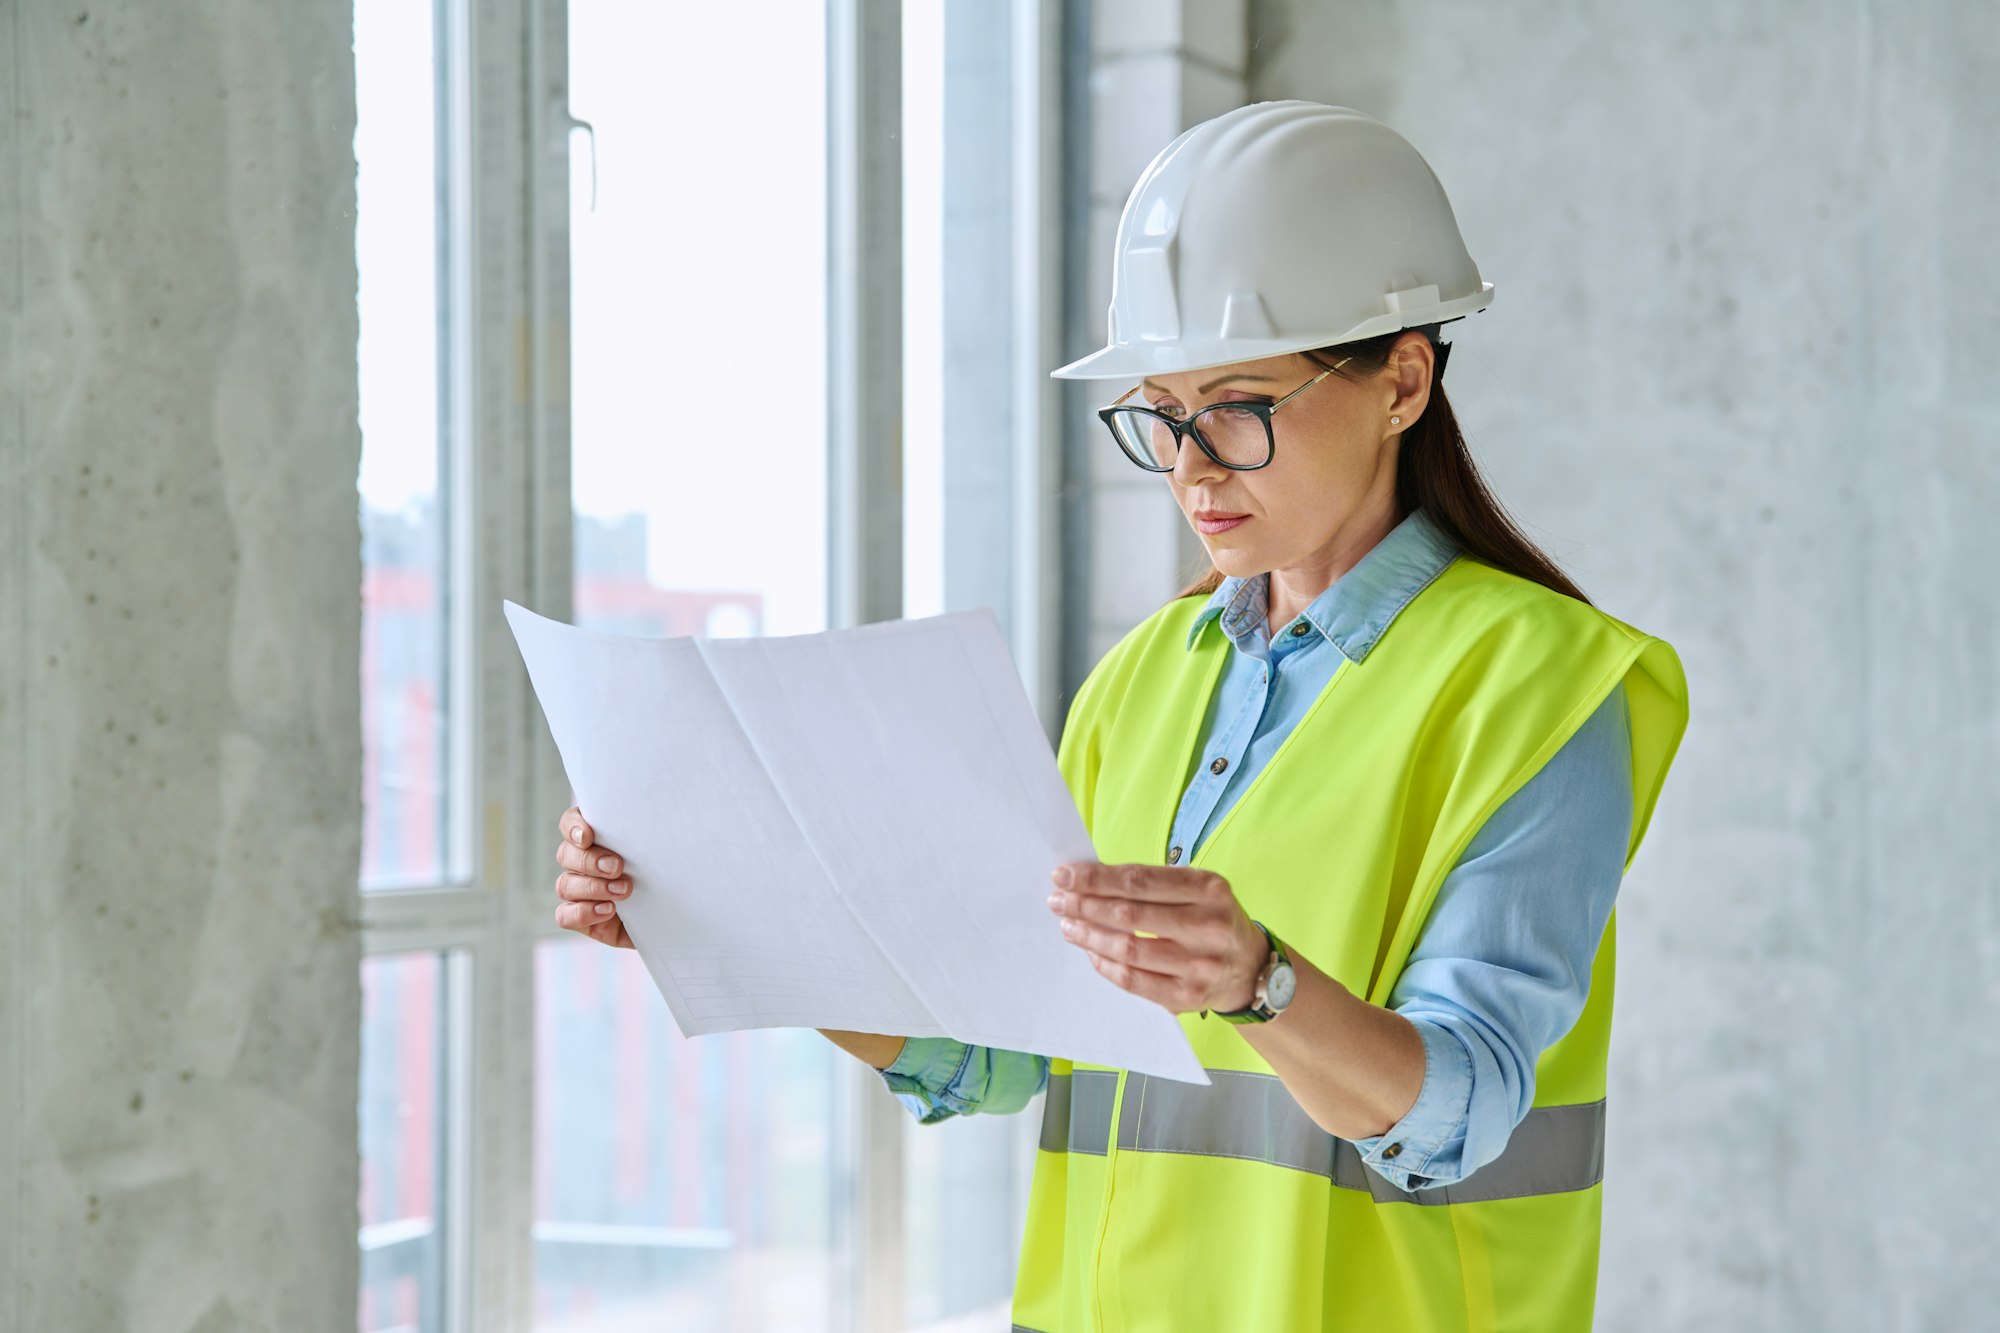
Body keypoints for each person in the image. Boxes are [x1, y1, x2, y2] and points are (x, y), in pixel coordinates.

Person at [550, 101, 1688, 1332]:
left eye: (1237, 405)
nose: (1192, 464)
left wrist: (1261, 983)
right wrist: (730, 918)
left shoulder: (1542, 684)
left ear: (1401, 380)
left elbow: (1459, 1113)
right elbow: (1005, 1058)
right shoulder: (1144, 678)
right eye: (1159, 413)